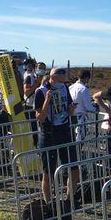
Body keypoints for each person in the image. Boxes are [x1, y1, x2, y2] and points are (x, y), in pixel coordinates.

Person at [34, 68, 78, 204]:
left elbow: (69, 110)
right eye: (61, 79)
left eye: (64, 80)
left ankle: (69, 200)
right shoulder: (40, 91)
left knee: (74, 168)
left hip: (64, 130)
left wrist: (71, 109)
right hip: (48, 134)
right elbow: (40, 118)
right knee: (48, 172)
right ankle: (48, 203)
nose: (63, 82)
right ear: (53, 78)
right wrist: (47, 100)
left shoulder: (64, 88)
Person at [68, 70, 96, 141]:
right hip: (80, 118)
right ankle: (78, 151)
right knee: (80, 138)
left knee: (71, 138)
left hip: (70, 117)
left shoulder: (70, 87)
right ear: (86, 78)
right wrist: (95, 108)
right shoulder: (84, 89)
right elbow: (88, 107)